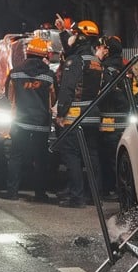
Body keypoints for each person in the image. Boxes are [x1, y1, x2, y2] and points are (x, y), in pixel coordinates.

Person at [55, 20, 104, 208]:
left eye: (74, 33)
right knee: (91, 157)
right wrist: (62, 32)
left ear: (81, 37)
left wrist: (61, 113)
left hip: (75, 117)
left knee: (72, 156)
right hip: (92, 115)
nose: (72, 36)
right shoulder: (95, 61)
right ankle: (96, 196)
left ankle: (77, 197)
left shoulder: (75, 61)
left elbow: (67, 89)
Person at [3, 37, 57, 202]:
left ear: (28, 52)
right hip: (41, 124)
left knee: (16, 156)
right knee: (40, 159)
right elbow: (53, 99)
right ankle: (40, 194)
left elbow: (9, 95)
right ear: (44, 55)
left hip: (20, 122)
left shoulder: (15, 72)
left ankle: (12, 192)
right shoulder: (49, 75)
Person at [96, 35, 130, 197]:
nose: (99, 50)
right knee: (118, 157)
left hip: (110, 122)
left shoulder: (107, 69)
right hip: (124, 121)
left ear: (108, 51)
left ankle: (113, 189)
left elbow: (108, 94)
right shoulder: (125, 66)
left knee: (108, 158)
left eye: (101, 47)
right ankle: (118, 189)